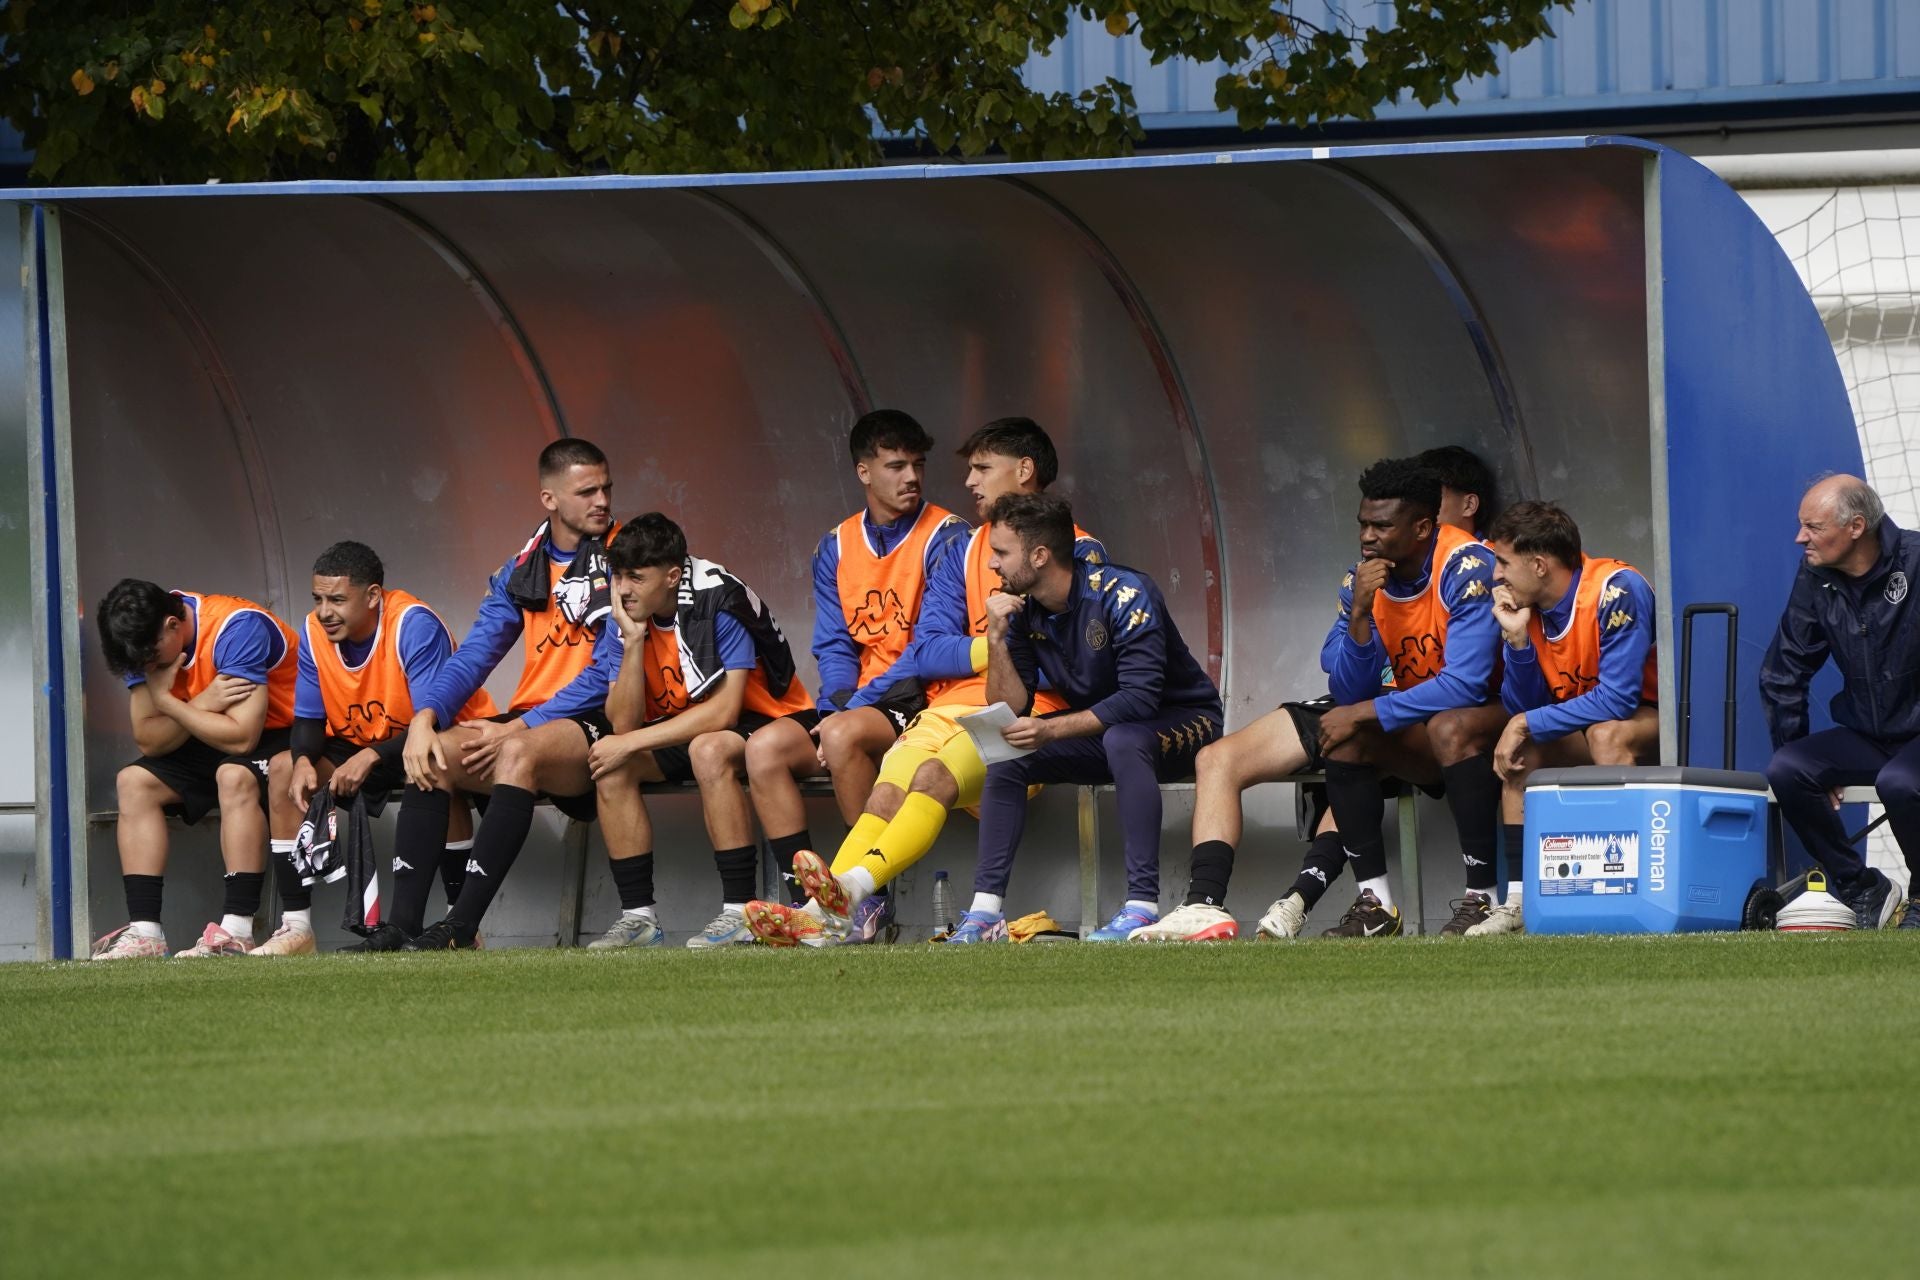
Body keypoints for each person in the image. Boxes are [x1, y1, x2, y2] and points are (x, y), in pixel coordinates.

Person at [740, 417, 1103, 946]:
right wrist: (997, 646)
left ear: (1024, 470)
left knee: (931, 774)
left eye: (982, 468)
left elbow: (1077, 661)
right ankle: (821, 916)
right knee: (887, 790)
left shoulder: (1080, 552)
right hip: (943, 708)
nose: (969, 482)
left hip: (1028, 716)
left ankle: (845, 894)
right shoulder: (966, 548)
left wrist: (1006, 653)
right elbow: (927, 650)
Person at [1135, 447, 1501, 943]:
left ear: (1421, 527)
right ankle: (1220, 906)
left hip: (1467, 716)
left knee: (1425, 725)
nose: (1367, 536)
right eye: (1363, 524)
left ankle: (1482, 896)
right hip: (1397, 707)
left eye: (1382, 526)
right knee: (1282, 743)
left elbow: (1467, 685)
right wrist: (1361, 613)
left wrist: (1364, 711)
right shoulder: (1362, 579)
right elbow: (1347, 689)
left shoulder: (1466, 566)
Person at [740, 410, 966, 941]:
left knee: (841, 735)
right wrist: (836, 707)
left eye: (917, 465)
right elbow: (834, 644)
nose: (911, 477)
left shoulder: (949, 535)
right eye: (895, 466)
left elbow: (929, 648)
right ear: (863, 471)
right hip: (859, 701)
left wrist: (846, 714)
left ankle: (870, 901)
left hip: (922, 695)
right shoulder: (836, 544)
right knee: (763, 750)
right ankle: (807, 903)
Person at [393, 438, 620, 951]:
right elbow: (475, 655)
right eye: (587, 492)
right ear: (549, 499)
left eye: (606, 488)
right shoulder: (523, 566)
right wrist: (425, 718)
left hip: (601, 718)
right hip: (535, 720)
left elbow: (606, 674)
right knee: (435, 753)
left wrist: (518, 726)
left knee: (515, 750)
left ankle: (460, 927)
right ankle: (402, 926)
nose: (602, 501)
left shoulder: (625, 557)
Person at [962, 494, 1221, 940]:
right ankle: (985, 914)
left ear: (1039, 556)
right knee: (1009, 753)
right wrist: (997, 640)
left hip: (1186, 721)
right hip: (1107, 731)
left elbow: (1139, 700)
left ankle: (1141, 907)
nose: (992, 564)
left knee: (1125, 738)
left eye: (1001, 552)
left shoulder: (1125, 593)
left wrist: (1050, 729)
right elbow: (1012, 706)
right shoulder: (1021, 608)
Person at [250, 541, 498, 955]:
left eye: (336, 600)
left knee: (432, 765)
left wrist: (372, 756)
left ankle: (460, 926)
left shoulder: (412, 624)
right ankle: (296, 927)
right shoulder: (313, 630)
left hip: (442, 736)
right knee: (282, 770)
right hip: (364, 742)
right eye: (317, 599)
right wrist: (303, 760)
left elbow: (434, 721)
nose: (324, 611)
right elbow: (308, 717)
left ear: (372, 596)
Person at [582, 513, 815, 948]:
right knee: (612, 765)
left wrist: (628, 742)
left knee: (706, 750)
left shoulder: (717, 599)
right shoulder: (625, 616)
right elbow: (624, 723)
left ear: (672, 576)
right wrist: (632, 643)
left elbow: (725, 711)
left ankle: (740, 911)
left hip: (769, 718)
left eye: (636, 577)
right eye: (619, 576)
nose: (624, 589)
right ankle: (638, 918)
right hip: (690, 724)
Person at [1474, 501, 1660, 936]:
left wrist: (1524, 723)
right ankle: (1518, 901)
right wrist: (1518, 642)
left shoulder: (1616, 588)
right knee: (1523, 752)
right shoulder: (1528, 608)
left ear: (1539, 565)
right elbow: (1525, 705)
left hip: (1654, 719)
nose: (1495, 575)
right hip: (1583, 724)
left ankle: (1622, 890)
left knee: (1606, 734)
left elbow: (1619, 698)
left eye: (1503, 562)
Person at [89, 579, 298, 959]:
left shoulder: (236, 628)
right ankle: (146, 934)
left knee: (233, 775)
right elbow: (149, 740)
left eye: (153, 660)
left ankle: (237, 931)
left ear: (173, 625)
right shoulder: (142, 643)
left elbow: (242, 738)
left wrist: (168, 704)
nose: (148, 668)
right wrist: (194, 703)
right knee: (133, 782)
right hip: (205, 729)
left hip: (280, 733)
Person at [1761, 474, 1920, 930]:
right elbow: (1784, 671)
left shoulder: (1916, 560)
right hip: (1869, 733)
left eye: (1812, 527)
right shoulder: (1815, 575)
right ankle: (1862, 888)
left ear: (1855, 527)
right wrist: (1807, 759)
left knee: (1900, 782)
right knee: (1789, 769)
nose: (1800, 538)